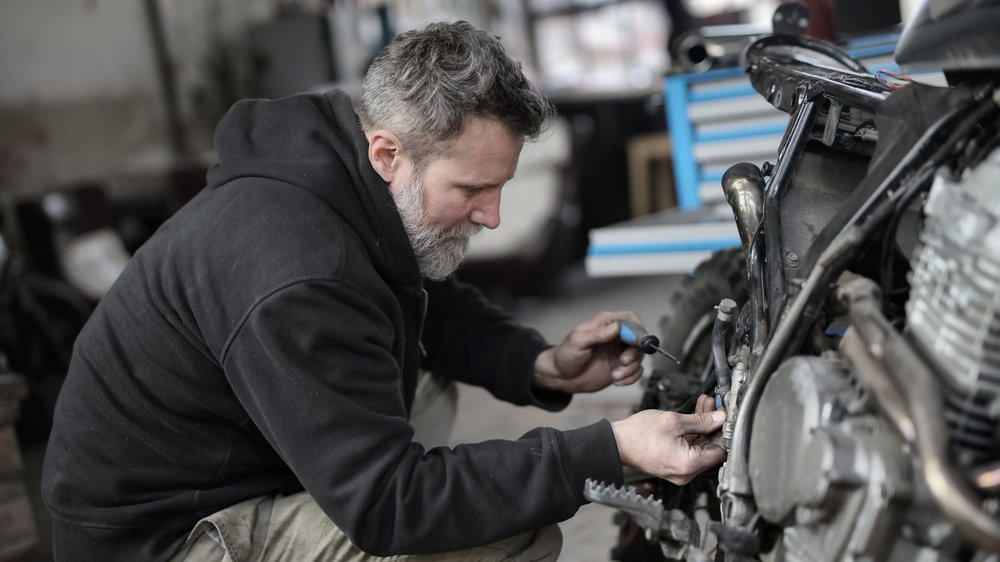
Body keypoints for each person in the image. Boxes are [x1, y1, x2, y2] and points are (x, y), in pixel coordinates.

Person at [41, 20, 726, 561]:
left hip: (225, 463)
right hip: (165, 538)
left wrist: (542, 364)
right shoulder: (298, 272)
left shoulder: (345, 179)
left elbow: (428, 304)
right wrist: (611, 449)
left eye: (501, 187)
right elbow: (391, 505)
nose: (491, 217)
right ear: (387, 153)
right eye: (473, 189)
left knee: (430, 383)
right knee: (510, 536)